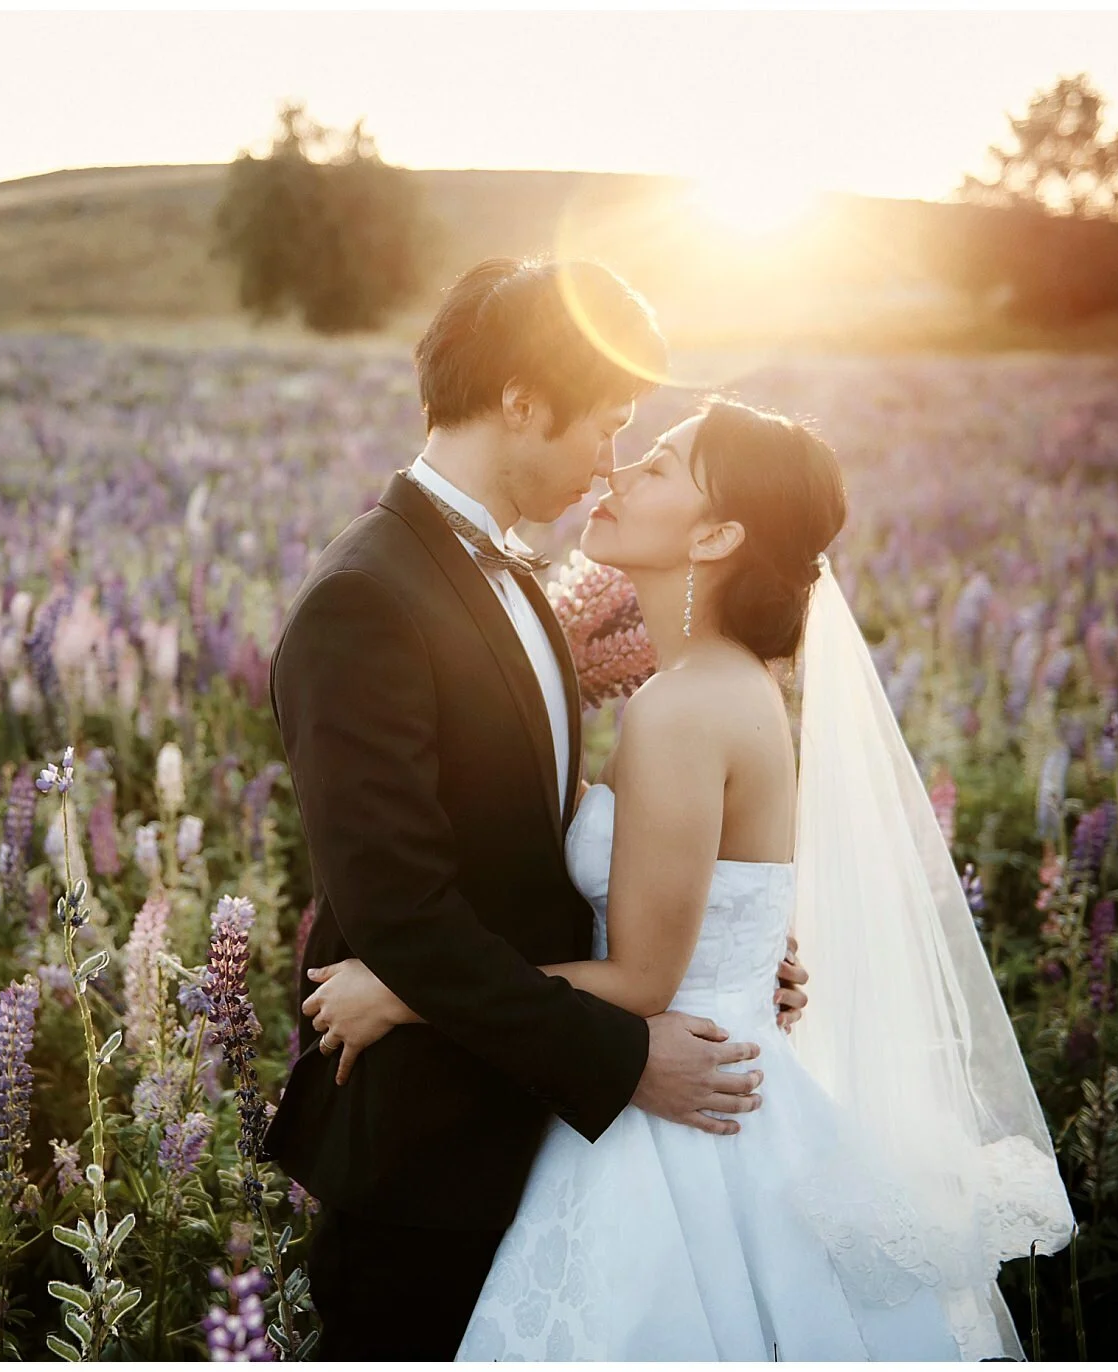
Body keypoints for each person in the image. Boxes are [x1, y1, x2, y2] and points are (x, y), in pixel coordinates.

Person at [305, 400, 1076, 1359]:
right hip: (707, 1072)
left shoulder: (681, 707)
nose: (618, 473)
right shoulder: (726, 682)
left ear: (715, 535)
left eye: (660, 467)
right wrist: (751, 962)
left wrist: (403, 990)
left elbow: (641, 984)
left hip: (675, 1120)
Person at [260, 258, 810, 1361]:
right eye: (605, 425)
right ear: (519, 401)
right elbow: (400, 914)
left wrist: (718, 944)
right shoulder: (365, 598)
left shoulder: (513, 576)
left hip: (543, 1133)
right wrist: (621, 1051)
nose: (608, 466)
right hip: (427, 1151)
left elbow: (532, 858)